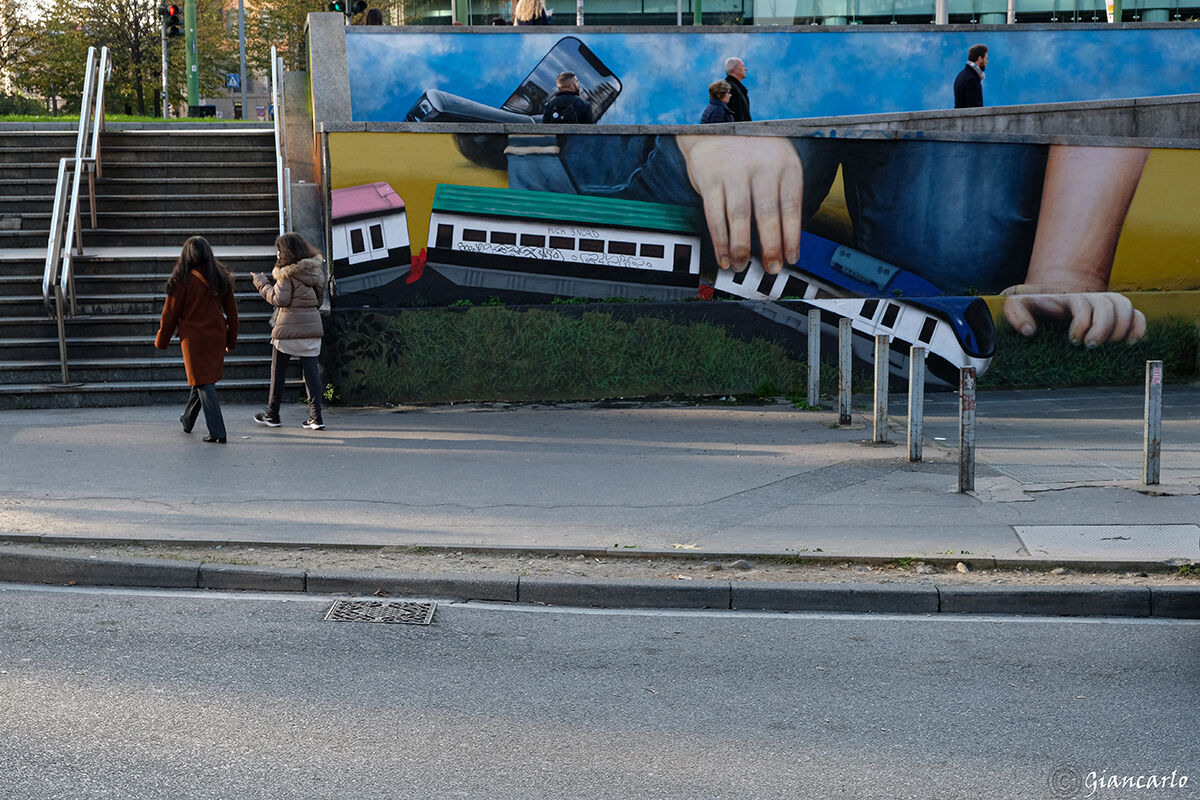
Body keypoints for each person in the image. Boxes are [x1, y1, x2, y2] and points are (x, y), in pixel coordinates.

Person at [155, 236, 239, 444]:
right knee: (201, 379)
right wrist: (231, 339)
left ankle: (218, 431)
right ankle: (187, 420)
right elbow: (233, 314)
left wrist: (161, 340)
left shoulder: (181, 280)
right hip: (216, 336)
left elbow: (169, 314)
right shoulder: (221, 277)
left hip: (194, 340)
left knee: (202, 381)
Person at [251, 233, 328, 431]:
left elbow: (279, 300)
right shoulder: (316, 271)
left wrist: (261, 283)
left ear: (285, 251)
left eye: (279, 250)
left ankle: (273, 414)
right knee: (311, 373)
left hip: (287, 330)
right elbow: (319, 300)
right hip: (311, 327)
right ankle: (316, 417)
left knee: (278, 373)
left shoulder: (285, 273)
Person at [954, 44, 988, 109]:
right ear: (980, 59)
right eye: (986, 58)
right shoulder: (972, 79)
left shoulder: (962, 75)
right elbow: (974, 110)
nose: (987, 62)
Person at [722, 57, 751, 122]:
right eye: (743, 66)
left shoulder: (734, 87)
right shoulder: (730, 88)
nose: (746, 69)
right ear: (734, 69)